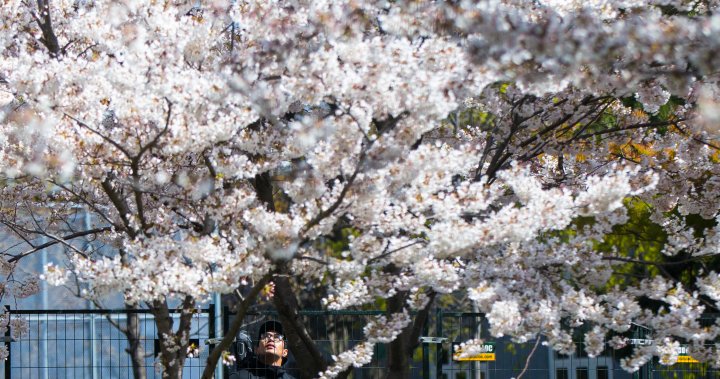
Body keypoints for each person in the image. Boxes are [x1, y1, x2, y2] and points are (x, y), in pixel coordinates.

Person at [229, 320, 297, 379]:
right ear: (256, 350)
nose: (271, 339)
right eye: (265, 336)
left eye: (277, 337)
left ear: (285, 352)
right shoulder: (239, 377)